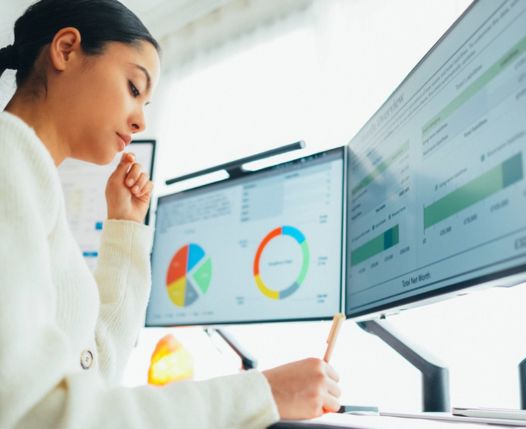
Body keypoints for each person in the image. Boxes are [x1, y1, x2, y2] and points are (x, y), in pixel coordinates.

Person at [0, 1, 341, 427]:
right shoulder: (8, 160)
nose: (141, 120)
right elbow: (36, 414)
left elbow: (92, 376)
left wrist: (125, 229)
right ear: (66, 50)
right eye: (133, 87)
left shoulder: (29, 179)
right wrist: (263, 393)